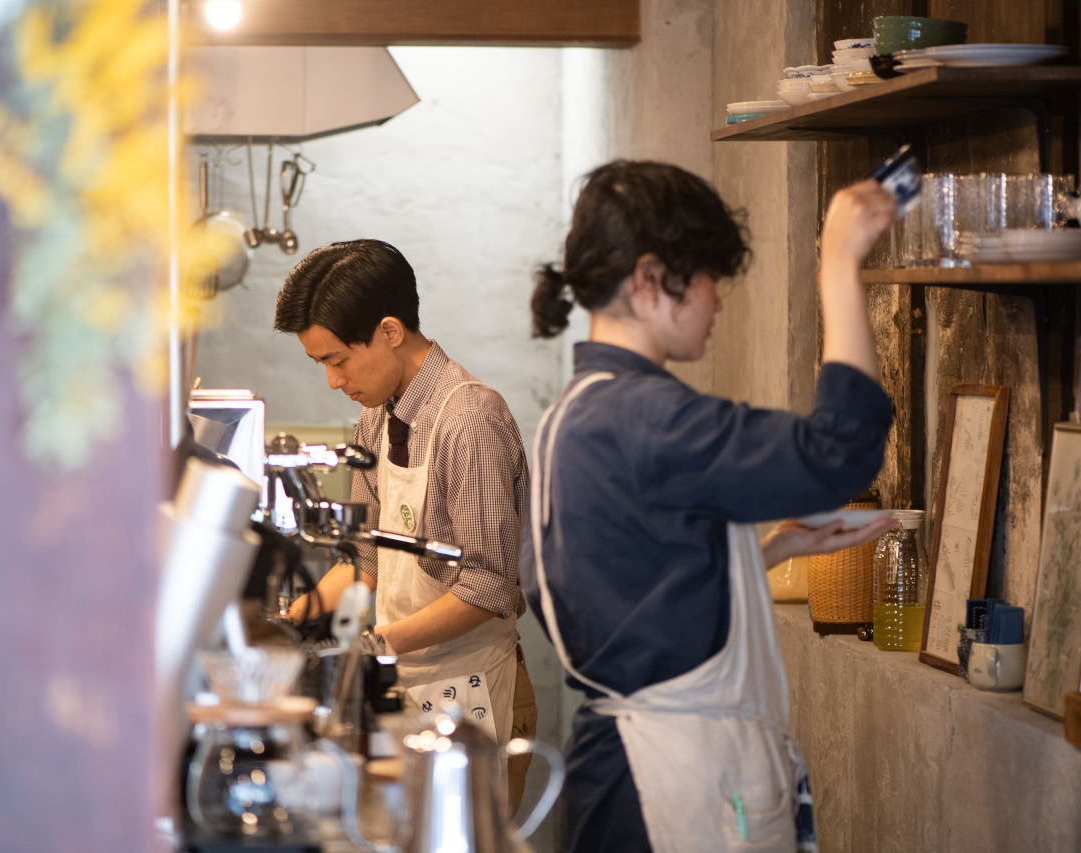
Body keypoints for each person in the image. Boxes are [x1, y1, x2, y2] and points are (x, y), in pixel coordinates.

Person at [522, 160, 898, 852]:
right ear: (647, 279)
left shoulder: (569, 416)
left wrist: (765, 552)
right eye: (705, 278)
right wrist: (840, 267)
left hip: (616, 770)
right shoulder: (651, 416)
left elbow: (615, 598)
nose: (717, 300)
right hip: (672, 786)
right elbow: (838, 452)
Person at [274, 238, 537, 804]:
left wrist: (369, 646)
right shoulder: (376, 418)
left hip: (473, 690)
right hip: (408, 682)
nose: (332, 381)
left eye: (337, 359)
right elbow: (366, 564)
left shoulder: (469, 419)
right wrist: (289, 629)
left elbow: (488, 587)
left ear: (390, 331)